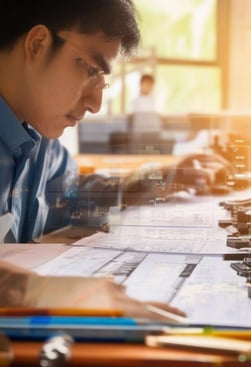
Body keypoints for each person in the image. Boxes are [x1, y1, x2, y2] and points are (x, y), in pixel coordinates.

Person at [0, 0, 185, 320]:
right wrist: (29, 292)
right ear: (38, 44)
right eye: (90, 70)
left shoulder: (38, 136)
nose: (96, 103)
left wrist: (135, 186)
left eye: (102, 79)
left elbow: (65, 195)